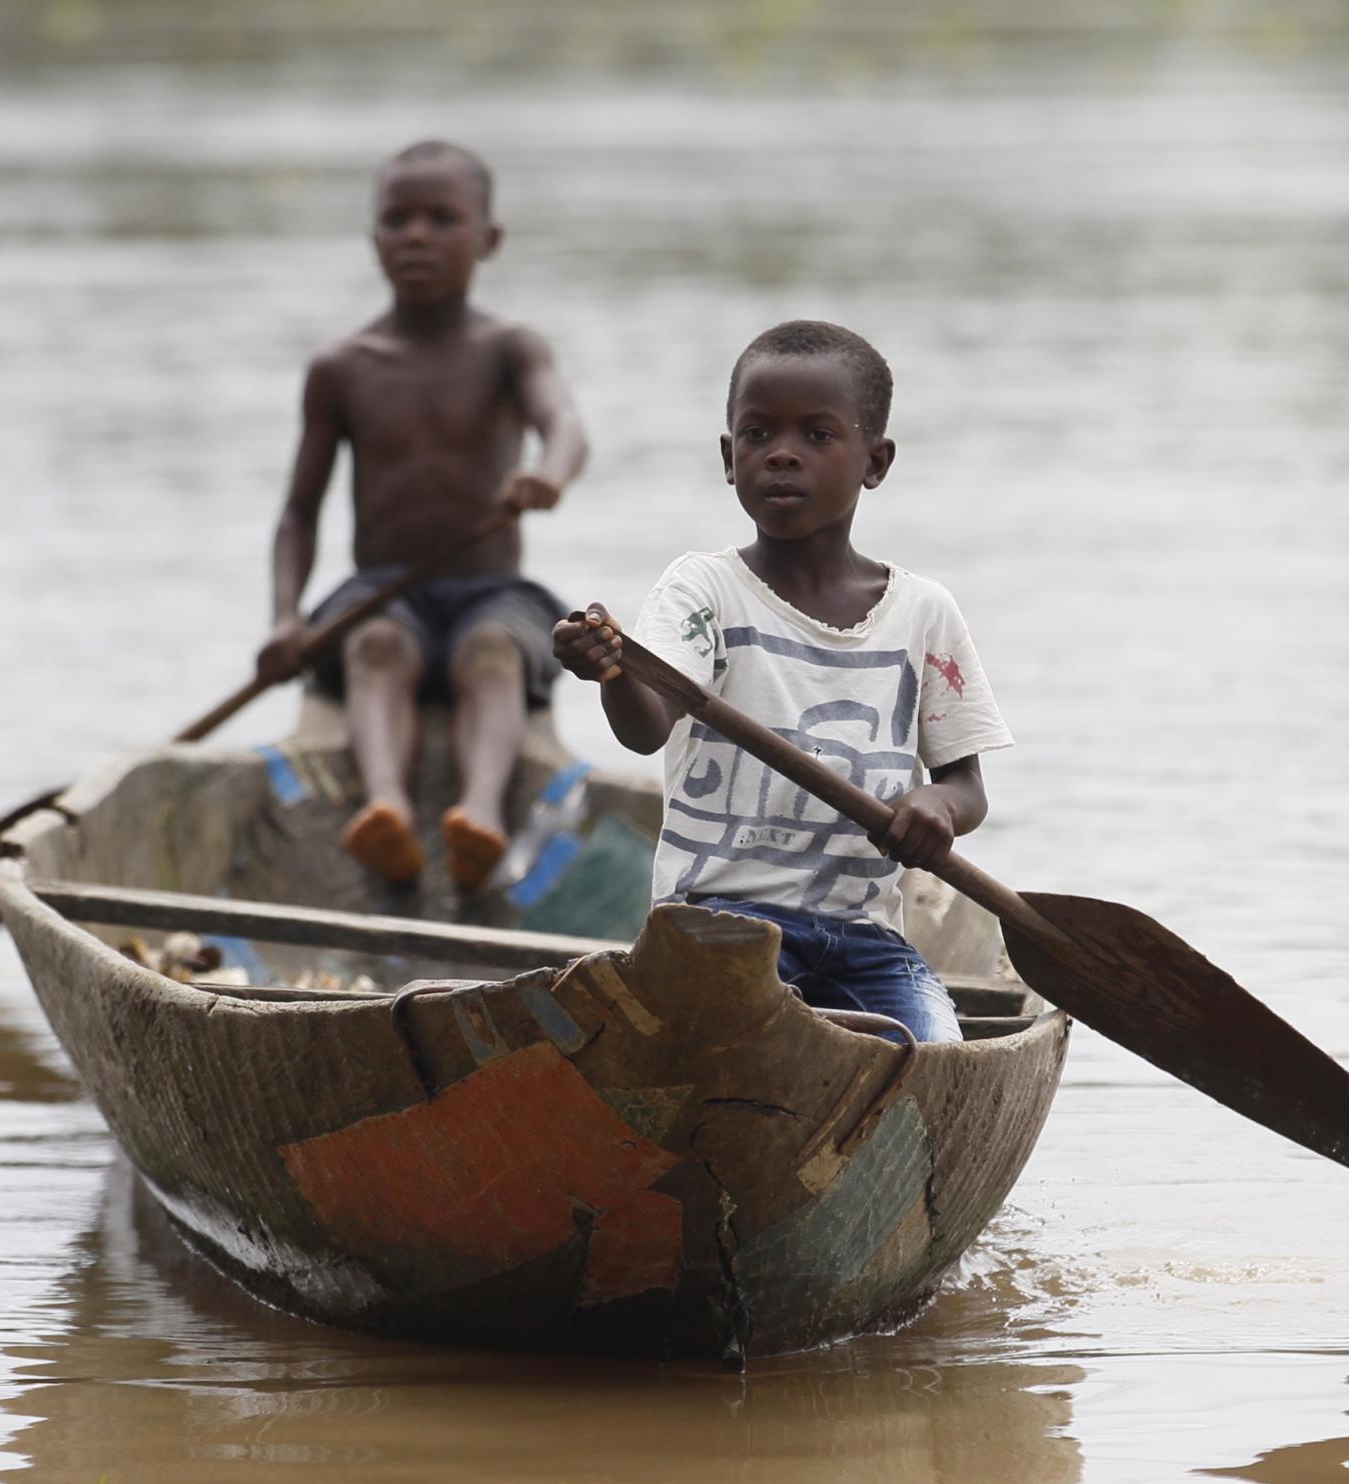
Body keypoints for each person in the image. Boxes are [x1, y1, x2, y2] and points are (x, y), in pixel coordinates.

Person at [551, 320, 1011, 1043]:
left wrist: (936, 808)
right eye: (759, 435)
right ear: (730, 459)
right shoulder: (703, 590)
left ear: (875, 461)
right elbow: (646, 728)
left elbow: (967, 788)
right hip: (718, 927)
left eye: (818, 437)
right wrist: (612, 671)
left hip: (866, 939)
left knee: (934, 1055)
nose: (783, 455)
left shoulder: (924, 614)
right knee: (730, 1036)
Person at [254, 139, 589, 891]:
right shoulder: (344, 366)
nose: (416, 236)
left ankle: (479, 815)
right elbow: (297, 514)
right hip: (383, 591)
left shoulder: (508, 348)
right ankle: (386, 810)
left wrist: (546, 475)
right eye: (397, 220)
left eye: (442, 219)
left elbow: (565, 426)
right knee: (373, 649)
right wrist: (284, 619)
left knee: (493, 656)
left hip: (488, 593)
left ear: (487, 240)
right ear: (374, 238)